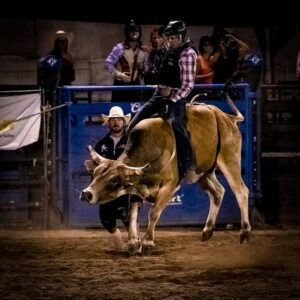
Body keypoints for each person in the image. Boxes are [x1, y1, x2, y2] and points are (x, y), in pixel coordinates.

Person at [126, 20, 198, 185]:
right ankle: (127, 162)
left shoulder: (188, 54)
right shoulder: (168, 48)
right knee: (134, 123)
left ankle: (189, 166)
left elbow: (187, 86)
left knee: (176, 124)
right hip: (160, 93)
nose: (170, 41)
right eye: (169, 37)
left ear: (181, 36)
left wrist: (171, 100)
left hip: (177, 96)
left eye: (174, 38)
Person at [86, 106, 141, 251]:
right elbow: (95, 168)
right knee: (106, 219)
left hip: (125, 186)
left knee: (127, 214)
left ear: (124, 122)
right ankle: (120, 244)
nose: (116, 123)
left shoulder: (132, 142)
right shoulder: (101, 144)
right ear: (109, 123)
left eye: (118, 120)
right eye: (113, 120)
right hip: (107, 189)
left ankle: (135, 241)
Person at [105, 19, 148, 102]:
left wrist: (143, 68)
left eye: (136, 31)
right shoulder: (119, 47)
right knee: (119, 111)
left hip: (136, 86)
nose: (134, 33)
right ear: (127, 32)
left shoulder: (143, 49)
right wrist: (119, 74)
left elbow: (147, 67)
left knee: (135, 112)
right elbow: (108, 63)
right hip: (121, 86)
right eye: (131, 31)